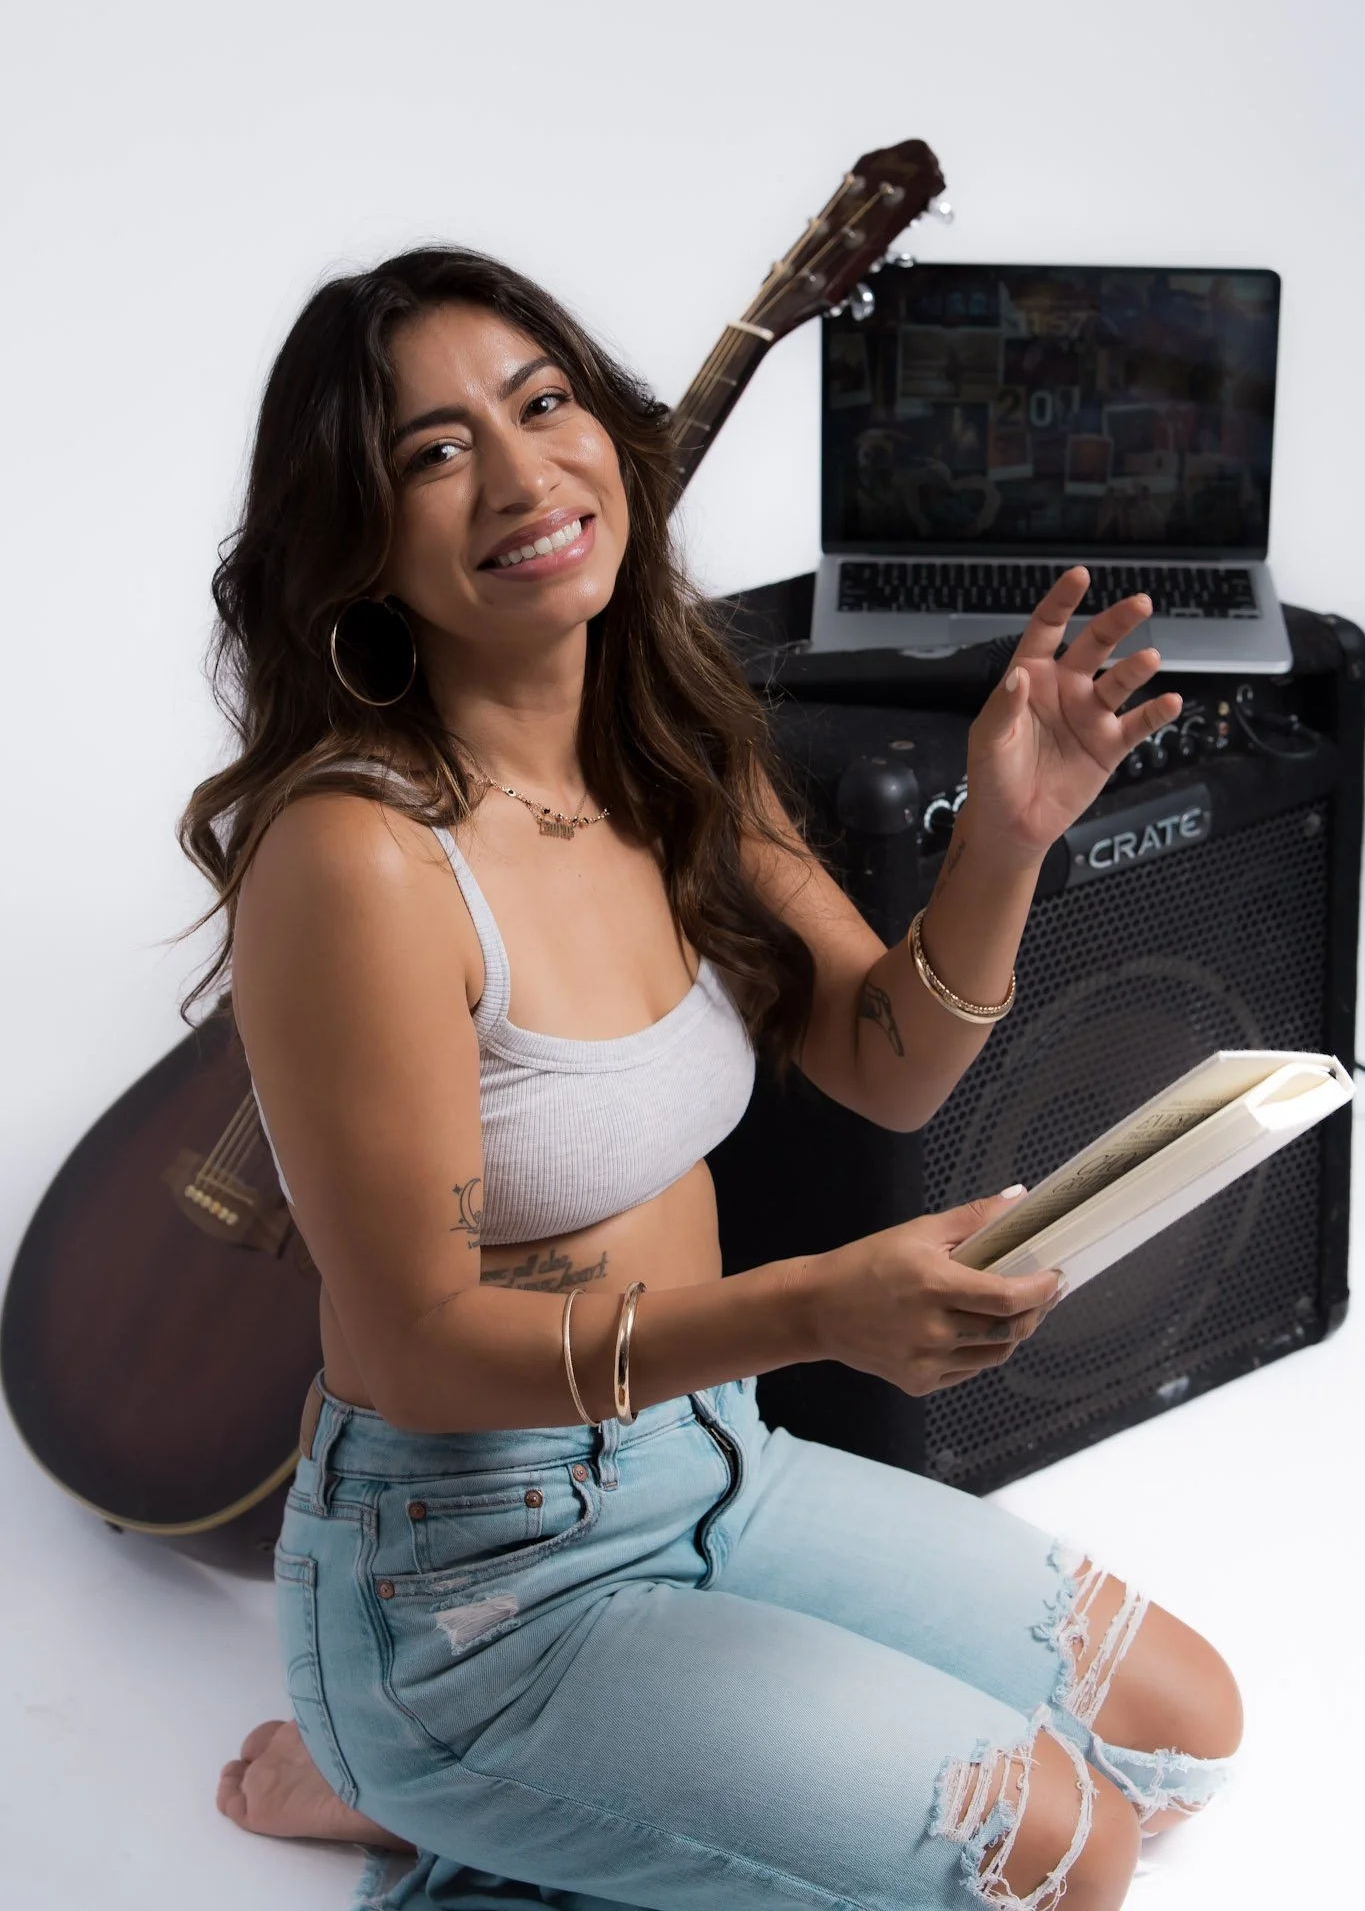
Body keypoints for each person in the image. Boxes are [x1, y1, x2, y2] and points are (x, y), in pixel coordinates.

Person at [181, 247, 1243, 1911]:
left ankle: (521, 1808)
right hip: (478, 1583)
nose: (525, 474)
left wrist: (1013, 835)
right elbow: (412, 1348)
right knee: (1063, 1864)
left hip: (712, 1461)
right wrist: (816, 1310)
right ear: (359, 541)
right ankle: (422, 1774)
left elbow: (885, 1066)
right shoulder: (363, 862)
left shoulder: (667, 747)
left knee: (1182, 1743)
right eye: (434, 452)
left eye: (543, 405)